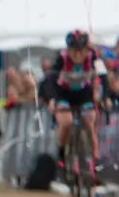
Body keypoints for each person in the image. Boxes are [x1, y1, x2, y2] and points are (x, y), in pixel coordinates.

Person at [47, 30, 103, 165]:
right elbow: (51, 80)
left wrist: (103, 96)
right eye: (74, 51)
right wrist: (53, 100)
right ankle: (61, 152)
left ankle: (95, 156)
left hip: (84, 94)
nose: (77, 55)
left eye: (81, 51)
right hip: (64, 93)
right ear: (68, 49)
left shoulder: (93, 57)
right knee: (66, 122)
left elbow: (103, 77)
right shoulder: (61, 58)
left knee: (90, 121)